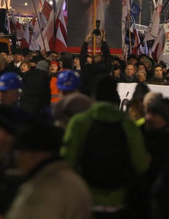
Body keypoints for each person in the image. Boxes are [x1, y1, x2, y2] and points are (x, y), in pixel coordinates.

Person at [62, 75, 148, 217]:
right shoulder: (128, 125)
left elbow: (67, 161)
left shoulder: (79, 122)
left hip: (85, 199)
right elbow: (140, 165)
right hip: (117, 200)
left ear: (94, 96)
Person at [6, 122, 93, 219]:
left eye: (19, 153)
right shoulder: (66, 178)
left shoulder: (49, 188)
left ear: (33, 155)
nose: (17, 159)